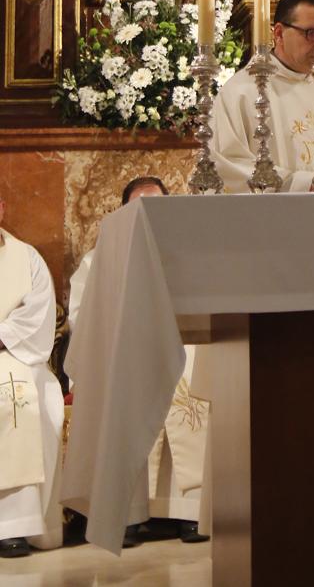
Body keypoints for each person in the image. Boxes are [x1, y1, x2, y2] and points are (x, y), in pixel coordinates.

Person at [68, 177, 210, 547]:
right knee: (122, 388)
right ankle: (124, 513)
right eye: (138, 207)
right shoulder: (99, 259)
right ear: (122, 213)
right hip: (124, 353)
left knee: (195, 375)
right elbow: (85, 318)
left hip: (181, 348)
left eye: (157, 206)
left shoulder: (188, 255)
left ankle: (189, 511)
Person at [210, 0, 314, 192]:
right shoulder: (241, 92)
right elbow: (229, 167)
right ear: (278, 33)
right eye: (312, 33)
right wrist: (303, 184)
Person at [0, 190, 63, 558]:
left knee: (22, 399)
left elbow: (38, 313)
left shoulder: (27, 258)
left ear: (2, 208)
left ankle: (13, 526)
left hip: (14, 355)